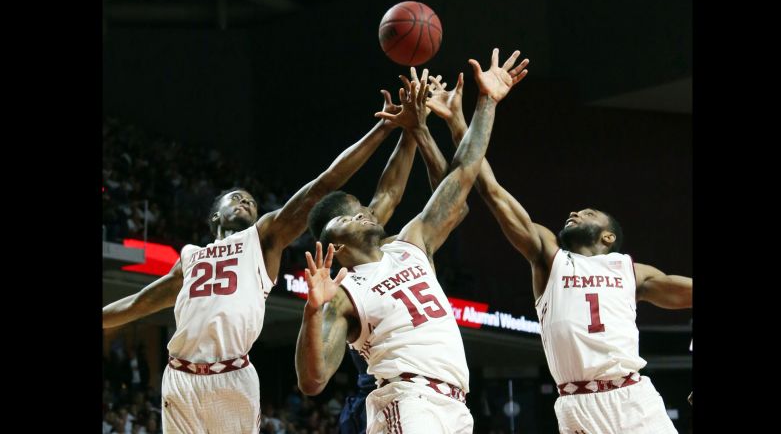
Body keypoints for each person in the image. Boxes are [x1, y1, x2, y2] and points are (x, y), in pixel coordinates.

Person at [102, 92, 421, 433]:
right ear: (215, 215)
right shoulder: (189, 257)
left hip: (231, 377)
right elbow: (138, 303)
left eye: (251, 202)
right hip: (179, 377)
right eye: (236, 198)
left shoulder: (263, 237)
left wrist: (382, 130)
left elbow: (323, 184)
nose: (246, 203)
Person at [425, 72, 692, 433]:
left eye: (589, 213)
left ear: (609, 237)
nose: (576, 213)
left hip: (631, 399)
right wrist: (457, 120)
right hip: (575, 404)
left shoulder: (633, 272)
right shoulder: (549, 257)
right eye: (576, 212)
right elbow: (490, 189)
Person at [295, 48, 529, 434]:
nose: (361, 213)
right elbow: (313, 381)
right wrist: (312, 311)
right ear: (332, 247)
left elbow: (463, 174)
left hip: (454, 403)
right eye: (345, 216)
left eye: (360, 209)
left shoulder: (411, 242)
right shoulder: (342, 292)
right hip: (406, 399)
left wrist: (486, 102)